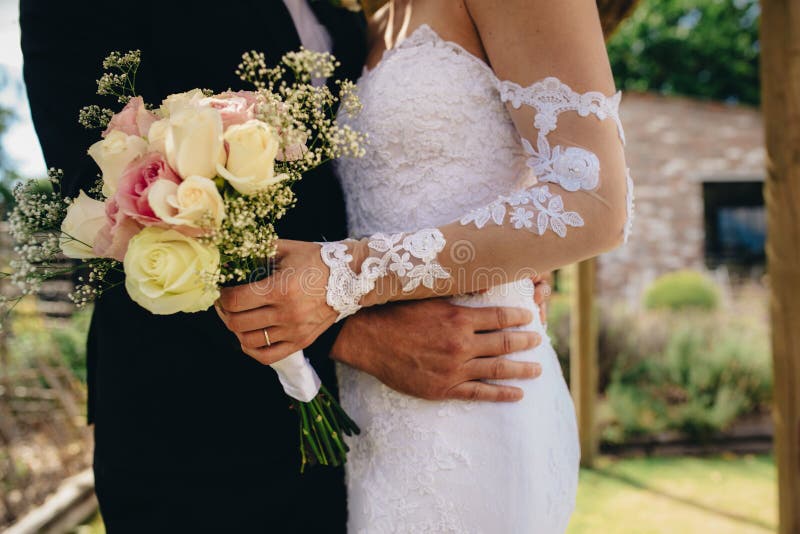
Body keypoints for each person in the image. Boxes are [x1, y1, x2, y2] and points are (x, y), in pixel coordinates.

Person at [20, 1, 547, 531]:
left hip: (362, 433)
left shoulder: (345, 16)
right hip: (192, 431)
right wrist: (359, 338)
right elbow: (103, 196)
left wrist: (499, 251)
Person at [217, 0, 635, 532]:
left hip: (478, 386)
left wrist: (345, 275)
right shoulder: (363, 19)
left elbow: (596, 204)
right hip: (374, 416)